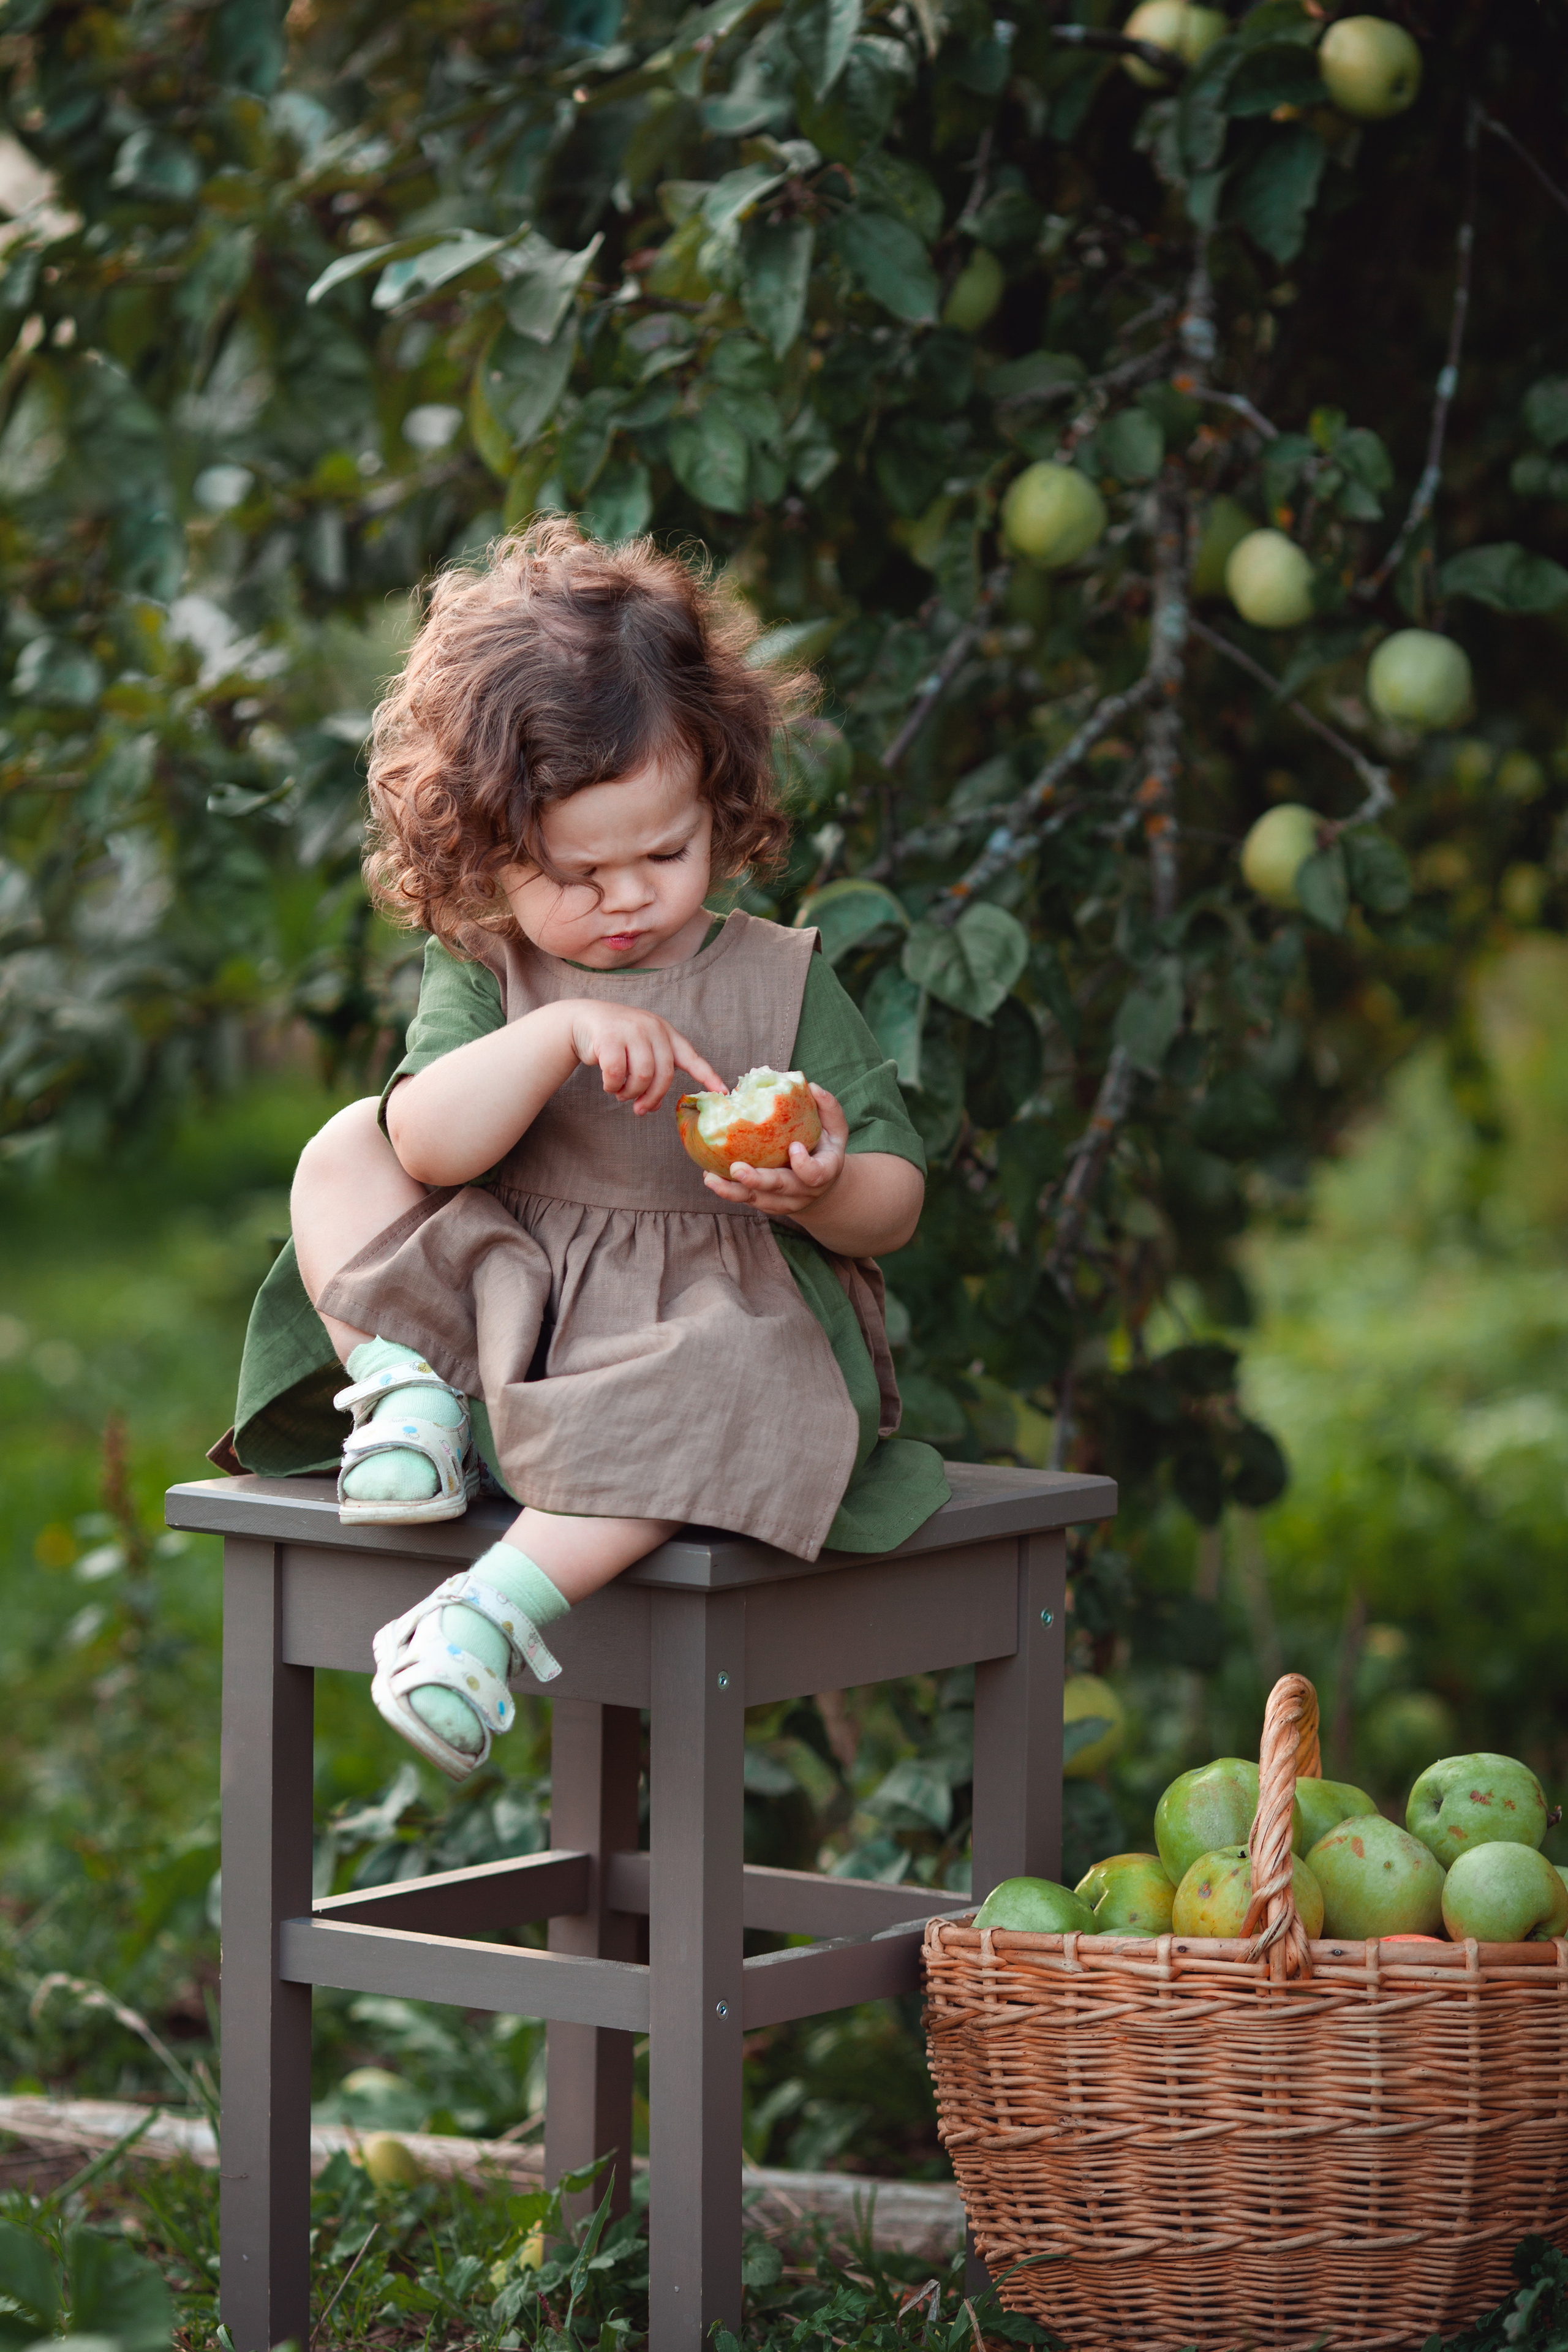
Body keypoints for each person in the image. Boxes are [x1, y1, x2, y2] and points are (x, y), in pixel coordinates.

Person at [216, 520, 949, 1784]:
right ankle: (408, 1397)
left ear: (719, 803)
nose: (624, 899)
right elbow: (427, 1145)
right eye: (574, 873)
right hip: (516, 1331)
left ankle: (482, 1618)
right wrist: (554, 1033)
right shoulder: (492, 972)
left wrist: (822, 1189)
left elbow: (893, 1206)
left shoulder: (775, 982)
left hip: (700, 1344)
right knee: (346, 1147)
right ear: (487, 854)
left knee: (704, 1390)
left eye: (663, 855)